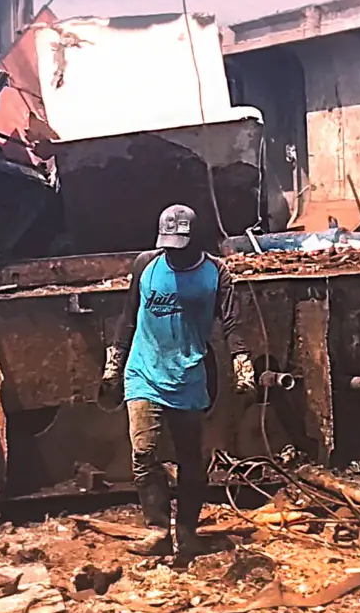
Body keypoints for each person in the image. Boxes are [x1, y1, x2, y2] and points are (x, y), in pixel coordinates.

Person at [104, 204, 255, 564]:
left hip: (188, 374)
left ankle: (186, 532)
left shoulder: (216, 273)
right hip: (143, 370)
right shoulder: (146, 266)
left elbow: (232, 323)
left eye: (180, 244)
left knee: (191, 458)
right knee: (144, 452)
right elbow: (129, 317)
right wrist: (114, 363)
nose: (173, 250)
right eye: (168, 243)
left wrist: (242, 361)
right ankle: (158, 530)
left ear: (195, 239)